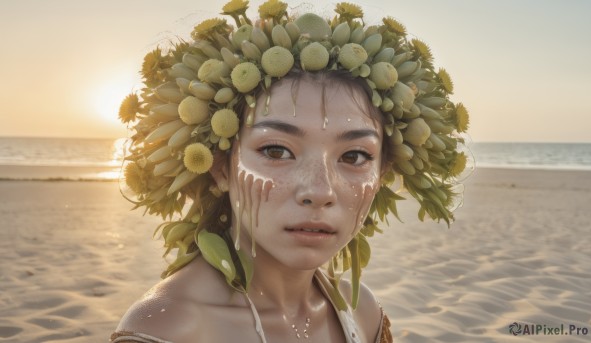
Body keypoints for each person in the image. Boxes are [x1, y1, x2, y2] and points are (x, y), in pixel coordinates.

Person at [112, 1, 469, 342]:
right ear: (220, 167)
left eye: (355, 156)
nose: (320, 190)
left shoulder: (364, 313)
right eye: (276, 150)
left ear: (383, 174)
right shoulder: (169, 327)